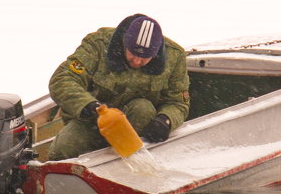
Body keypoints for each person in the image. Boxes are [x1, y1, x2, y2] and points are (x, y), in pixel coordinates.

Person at [48, 14, 190, 160]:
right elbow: (62, 80)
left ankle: (131, 164)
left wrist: (165, 120)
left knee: (143, 108)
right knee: (61, 150)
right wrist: (90, 106)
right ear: (124, 44)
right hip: (93, 120)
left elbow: (177, 103)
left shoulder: (174, 56)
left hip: (135, 127)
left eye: (144, 58)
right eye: (132, 54)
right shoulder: (97, 44)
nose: (136, 61)